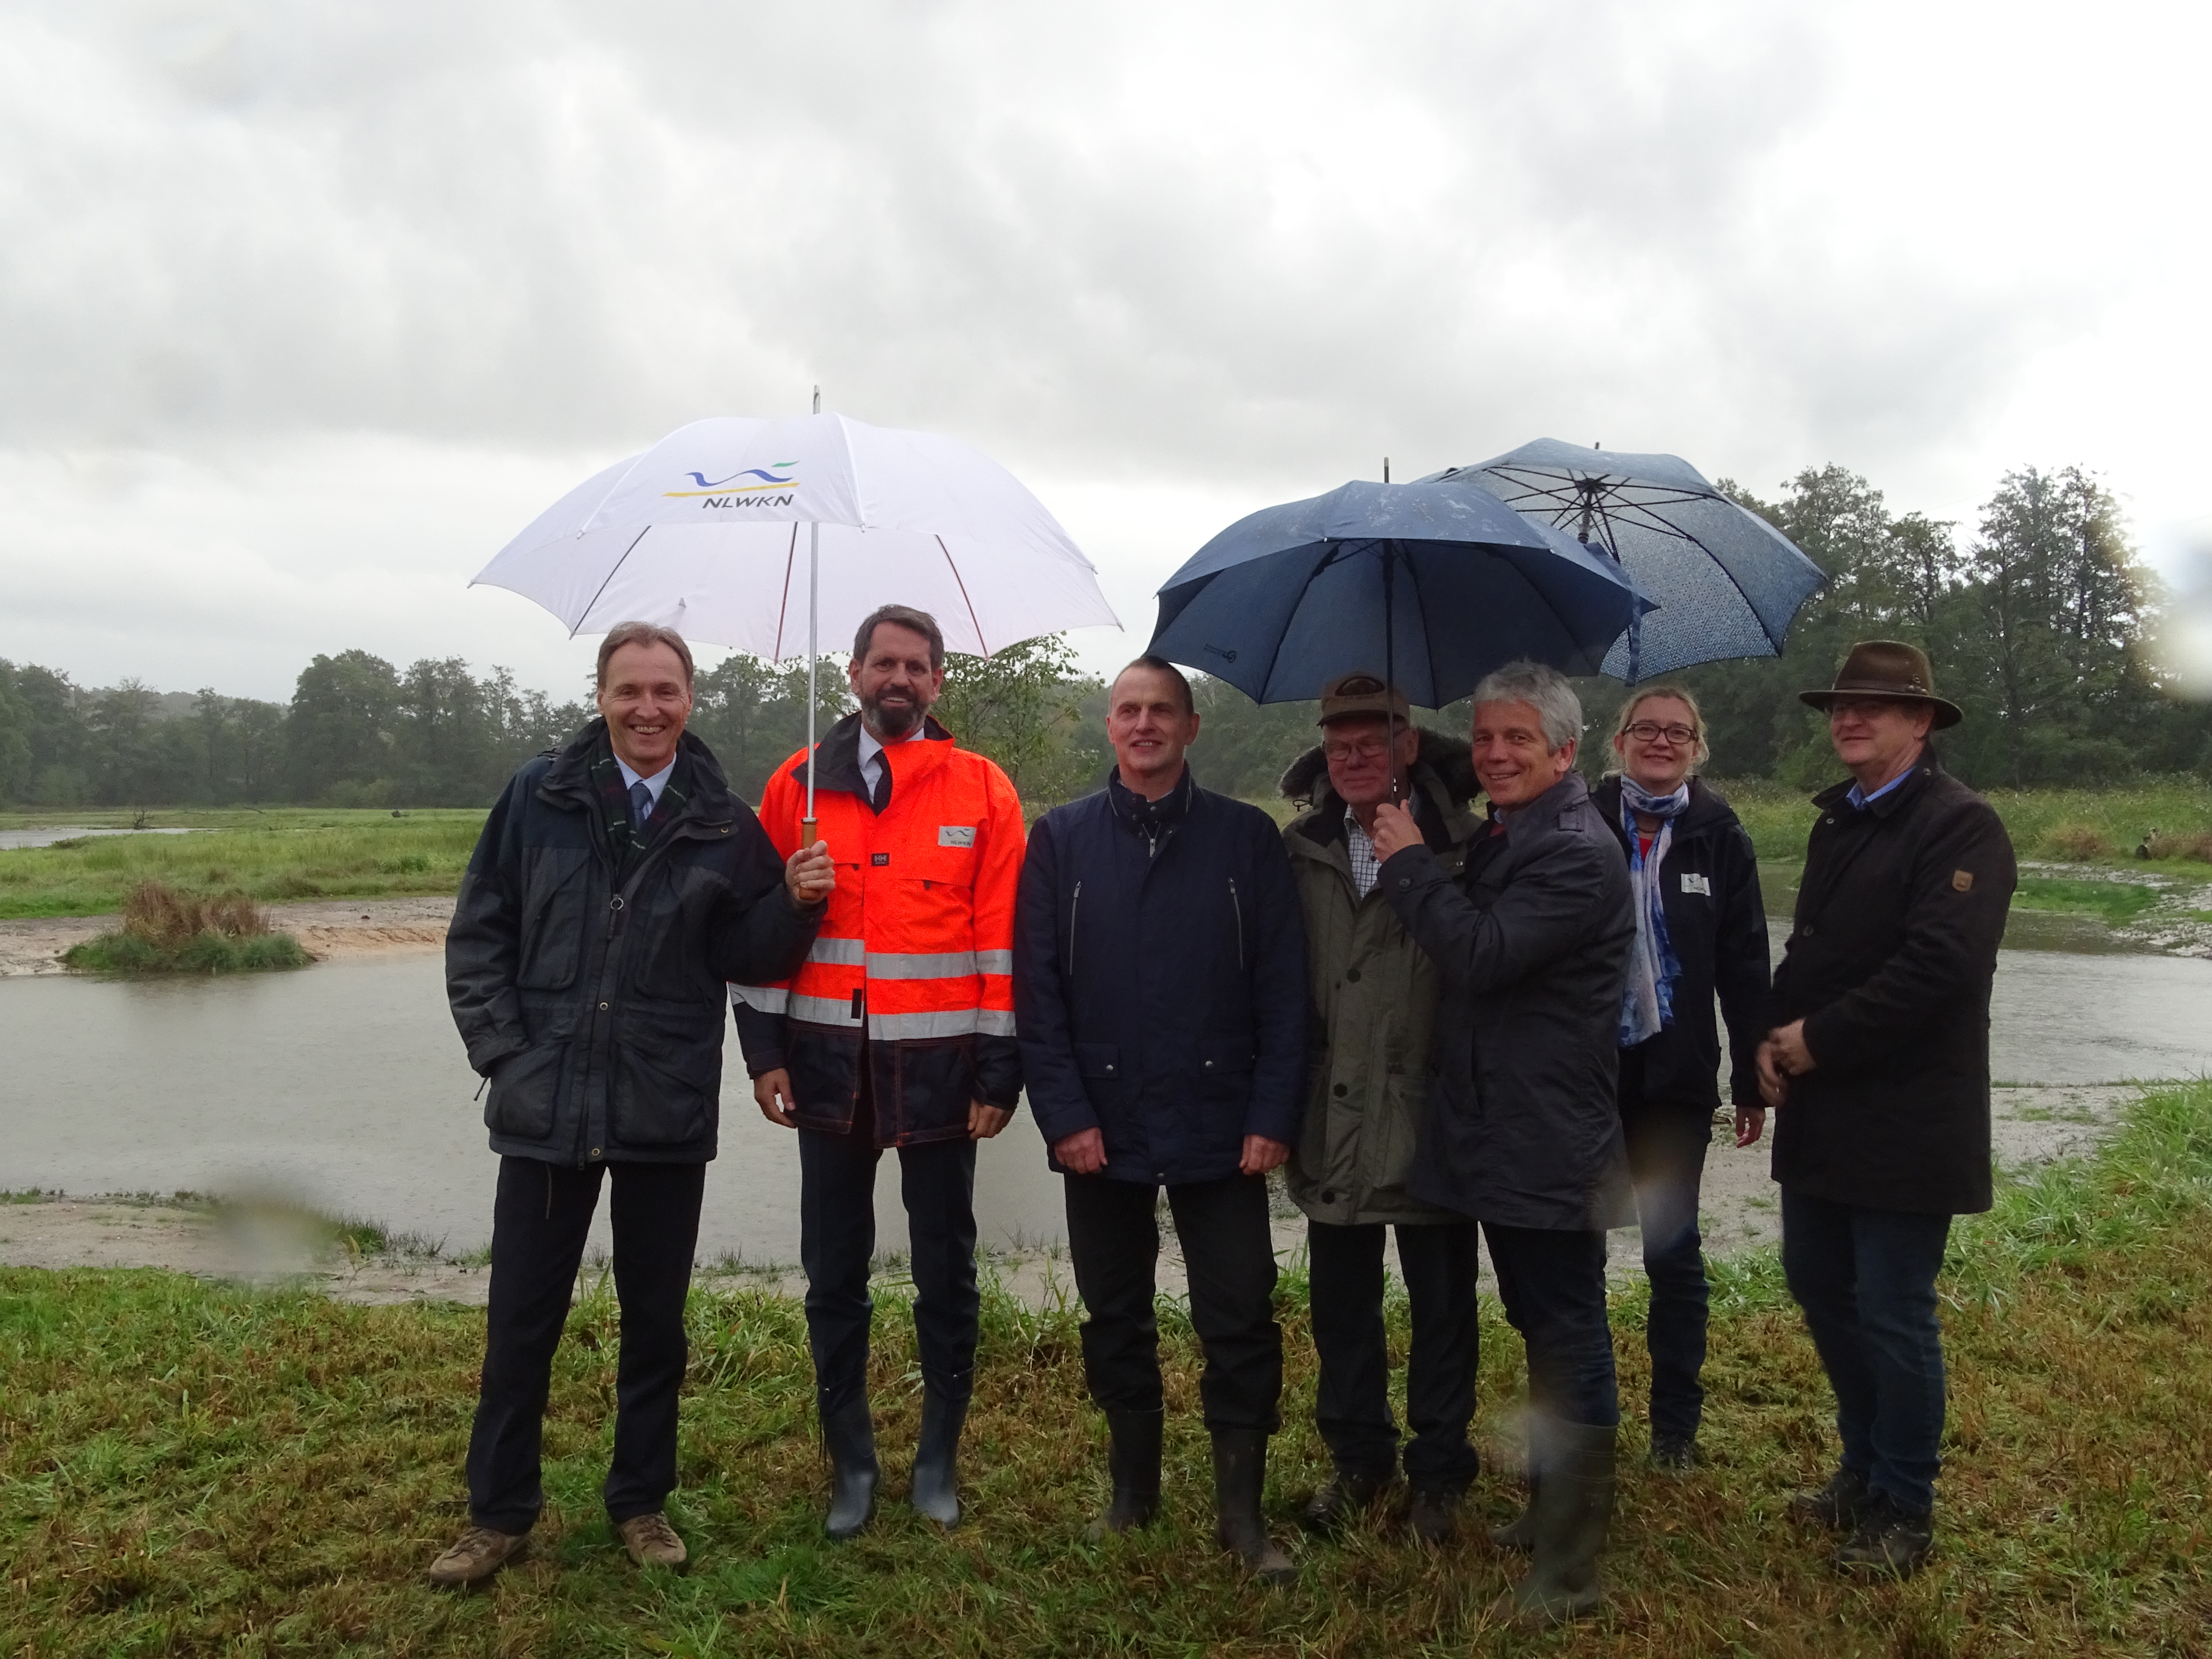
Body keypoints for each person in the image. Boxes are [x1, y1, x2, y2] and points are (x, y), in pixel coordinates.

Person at [434, 621, 832, 1588]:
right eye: (629, 690)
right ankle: (499, 1515)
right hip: (545, 1107)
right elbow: (480, 932)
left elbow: (748, 955)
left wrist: (796, 901)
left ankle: (640, 1501)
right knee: (520, 1319)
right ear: (602, 696)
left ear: (690, 700)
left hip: (665, 1105)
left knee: (656, 1323)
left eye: (665, 691)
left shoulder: (727, 823)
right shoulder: (538, 796)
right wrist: (506, 1055)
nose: (647, 709)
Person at [733, 604, 1026, 1538]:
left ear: (938, 682)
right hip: (826, 1069)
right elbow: (754, 933)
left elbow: (1002, 940)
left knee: (947, 1269)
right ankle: (851, 1464)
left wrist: (1000, 1072)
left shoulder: (983, 790)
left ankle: (938, 1458)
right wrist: (764, 1053)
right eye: (883, 663)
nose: (899, 679)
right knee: (833, 1272)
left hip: (943, 1070)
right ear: (854, 673)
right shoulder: (795, 788)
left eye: (917, 666)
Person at [1014, 655, 1308, 1583]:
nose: (1144, 725)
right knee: (1115, 1313)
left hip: (1224, 1120)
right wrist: (1064, 1115)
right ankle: (1131, 1495)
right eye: (1128, 710)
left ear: (1190, 727)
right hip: (1100, 1123)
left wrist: (1272, 1111)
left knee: (1241, 1314)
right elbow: (1037, 996)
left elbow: (1285, 991)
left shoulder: (1247, 837)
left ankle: (1242, 1516)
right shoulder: (1060, 840)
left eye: (1162, 711)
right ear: (1110, 726)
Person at [1368, 659, 1634, 1626]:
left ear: (1564, 751)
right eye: (1484, 738)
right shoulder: (1512, 831)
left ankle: (1571, 1568)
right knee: (1539, 1321)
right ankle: (1550, 1511)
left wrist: (1405, 860)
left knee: (1568, 1335)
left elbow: (1480, 954)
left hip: (1547, 1134)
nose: (1495, 754)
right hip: (1501, 1127)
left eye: (1518, 738)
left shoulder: (1576, 852)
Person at [1758, 641, 2015, 1578]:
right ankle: (1861, 1469)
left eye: (1872, 706)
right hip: (1826, 1112)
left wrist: (1819, 1040)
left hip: (1910, 1118)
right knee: (1820, 1284)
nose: (1849, 718)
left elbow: (1940, 968)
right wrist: (1770, 1034)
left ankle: (1905, 1504)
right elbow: (1812, 950)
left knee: (1894, 1309)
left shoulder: (1963, 827)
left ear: (1921, 722)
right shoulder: (1841, 821)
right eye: (1840, 705)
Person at [1275, 672, 1483, 1544]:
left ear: (1411, 745)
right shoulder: (1300, 848)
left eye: (1374, 741)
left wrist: (1418, 861)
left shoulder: (1472, 846)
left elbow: (1486, 963)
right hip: (1331, 1112)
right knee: (1341, 1307)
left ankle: (1440, 1474)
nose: (1354, 757)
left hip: (1433, 1112)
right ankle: (1359, 1461)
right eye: (1339, 744)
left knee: (1444, 1307)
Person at [1591, 686, 1771, 1470]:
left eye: (1678, 733)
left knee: (1671, 1252)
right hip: (1587, 1077)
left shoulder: (1719, 835)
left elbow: (1745, 962)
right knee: (1578, 1252)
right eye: (1646, 729)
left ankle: (1674, 1432)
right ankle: (1587, 1421)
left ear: (1698, 749)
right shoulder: (1582, 819)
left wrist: (1753, 1080)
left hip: (1676, 1078)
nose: (1661, 742)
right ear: (1620, 742)